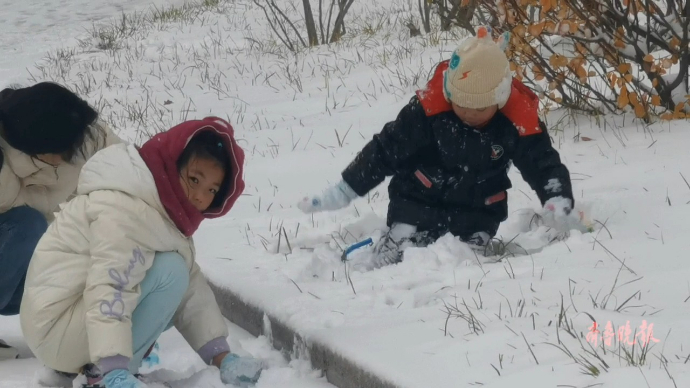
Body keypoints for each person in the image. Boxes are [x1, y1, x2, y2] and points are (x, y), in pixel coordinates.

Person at [297, 26, 575, 267]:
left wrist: (557, 198)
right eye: (460, 103)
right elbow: (384, 150)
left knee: (468, 247)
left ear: (500, 98)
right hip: (420, 195)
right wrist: (346, 189)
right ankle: (403, 236)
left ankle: (472, 243)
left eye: (479, 107)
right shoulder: (427, 113)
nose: (468, 112)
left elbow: (542, 162)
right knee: (411, 203)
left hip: (477, 205)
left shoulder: (516, 122)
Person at [20, 117, 264, 388]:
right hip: (54, 328)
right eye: (194, 179)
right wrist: (113, 369)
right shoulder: (125, 209)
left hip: (67, 321)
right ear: (172, 164)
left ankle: (99, 365)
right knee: (169, 272)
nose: (199, 196)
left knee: (173, 275)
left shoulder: (158, 207)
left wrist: (222, 356)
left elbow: (191, 291)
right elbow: (110, 286)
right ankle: (102, 375)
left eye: (211, 190)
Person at [0, 82, 122, 360]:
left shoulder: (79, 135)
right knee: (27, 225)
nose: (64, 158)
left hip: (19, 268)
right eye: (57, 152)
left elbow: (128, 167)